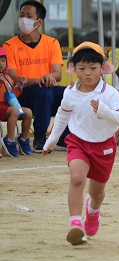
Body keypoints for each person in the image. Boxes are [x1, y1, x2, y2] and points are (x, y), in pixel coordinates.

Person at [42, 41, 119, 245]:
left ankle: (93, 211)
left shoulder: (110, 93)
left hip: (104, 146)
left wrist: (103, 110)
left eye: (93, 68)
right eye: (81, 68)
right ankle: (75, 224)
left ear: (103, 68)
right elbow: (62, 115)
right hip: (78, 142)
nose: (87, 73)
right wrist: (51, 142)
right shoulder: (70, 92)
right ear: (73, 69)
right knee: (77, 178)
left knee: (96, 193)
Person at [3, 1, 68, 152]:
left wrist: (49, 77)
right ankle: (39, 139)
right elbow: (13, 78)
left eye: (28, 16)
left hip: (46, 92)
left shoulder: (52, 43)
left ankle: (63, 138)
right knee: (43, 90)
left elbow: (57, 74)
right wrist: (39, 80)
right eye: (21, 15)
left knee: (72, 94)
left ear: (39, 22)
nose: (23, 19)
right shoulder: (10, 46)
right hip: (20, 96)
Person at [0, 47, 32, 157]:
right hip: (3, 108)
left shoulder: (8, 77)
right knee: (14, 111)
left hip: (8, 107)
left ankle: (23, 139)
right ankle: (9, 140)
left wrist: (21, 84)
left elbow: (13, 95)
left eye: (3, 61)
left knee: (28, 112)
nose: (1, 64)